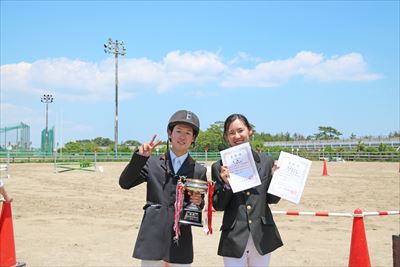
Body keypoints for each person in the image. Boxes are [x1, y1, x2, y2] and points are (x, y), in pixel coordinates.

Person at [119, 110, 207, 267]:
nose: (182, 136)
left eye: (188, 133)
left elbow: (198, 204)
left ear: (193, 138)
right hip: (153, 235)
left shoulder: (199, 170)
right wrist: (140, 158)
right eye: (178, 131)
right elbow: (125, 183)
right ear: (169, 133)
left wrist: (199, 201)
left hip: (180, 238)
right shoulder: (152, 163)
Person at [212, 113, 283, 267]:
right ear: (226, 137)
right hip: (234, 236)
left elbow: (272, 199)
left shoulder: (266, 162)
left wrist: (276, 179)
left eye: (240, 130)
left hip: (262, 235)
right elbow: (218, 205)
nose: (237, 136)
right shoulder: (219, 166)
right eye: (231, 133)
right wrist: (227, 184)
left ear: (249, 130)